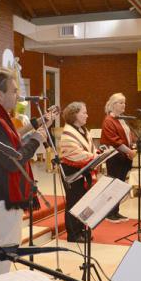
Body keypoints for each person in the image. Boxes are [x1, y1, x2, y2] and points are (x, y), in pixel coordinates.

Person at [0, 67, 48, 276]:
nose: (18, 96)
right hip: (1, 195)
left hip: (2, 193)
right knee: (2, 254)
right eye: (14, 91)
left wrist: (34, 132)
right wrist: (36, 140)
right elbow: (12, 161)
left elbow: (11, 146)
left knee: (5, 251)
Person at [59, 102, 100, 243]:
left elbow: (91, 148)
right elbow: (75, 153)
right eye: (84, 112)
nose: (87, 115)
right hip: (72, 171)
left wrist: (95, 155)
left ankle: (83, 229)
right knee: (74, 201)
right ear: (74, 115)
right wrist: (96, 157)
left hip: (84, 169)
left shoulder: (83, 130)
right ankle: (73, 234)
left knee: (84, 201)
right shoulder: (67, 133)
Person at [100, 92, 135, 223]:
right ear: (113, 105)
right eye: (121, 102)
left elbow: (128, 135)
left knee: (119, 186)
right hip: (115, 158)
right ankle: (109, 213)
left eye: (124, 102)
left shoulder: (122, 118)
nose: (124, 105)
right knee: (113, 186)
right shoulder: (109, 120)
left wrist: (132, 146)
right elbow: (114, 140)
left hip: (124, 157)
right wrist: (129, 151)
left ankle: (116, 211)